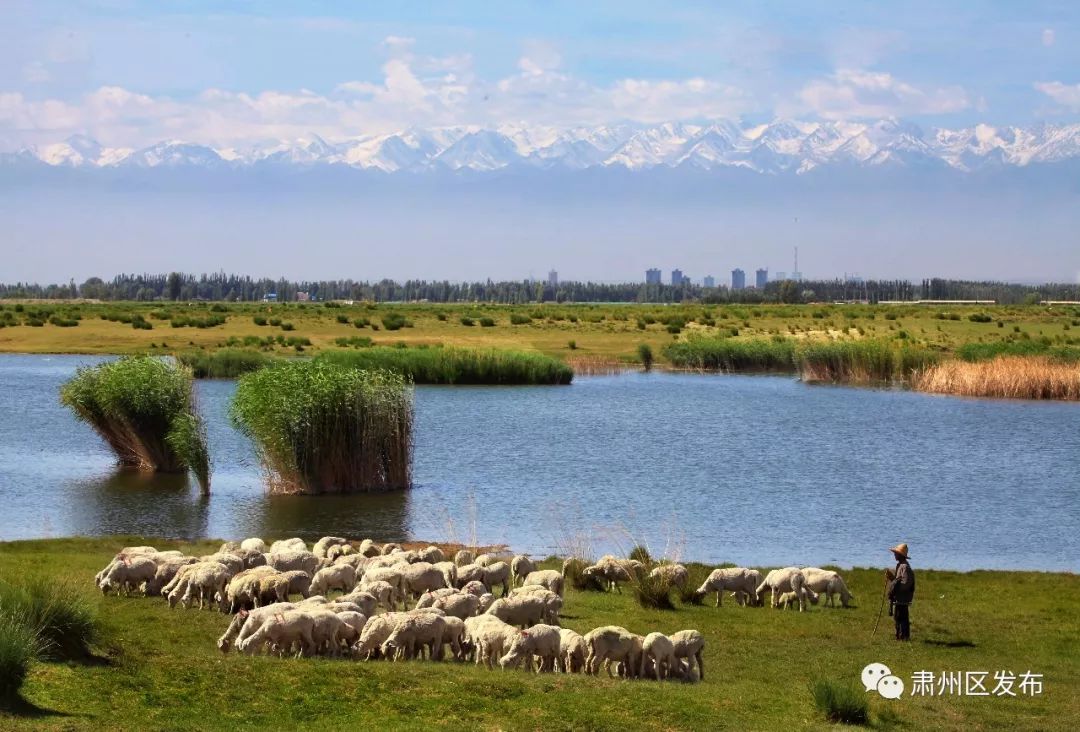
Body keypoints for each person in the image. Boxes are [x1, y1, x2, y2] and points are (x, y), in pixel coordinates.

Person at [885, 543, 915, 641]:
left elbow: (905, 583)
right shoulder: (900, 565)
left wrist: (894, 584)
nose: (894, 555)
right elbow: (898, 581)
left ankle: (904, 637)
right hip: (900, 597)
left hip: (903, 598)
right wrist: (892, 578)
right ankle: (900, 636)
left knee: (901, 617)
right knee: (898, 617)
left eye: (896, 553)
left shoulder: (905, 567)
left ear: (900, 555)